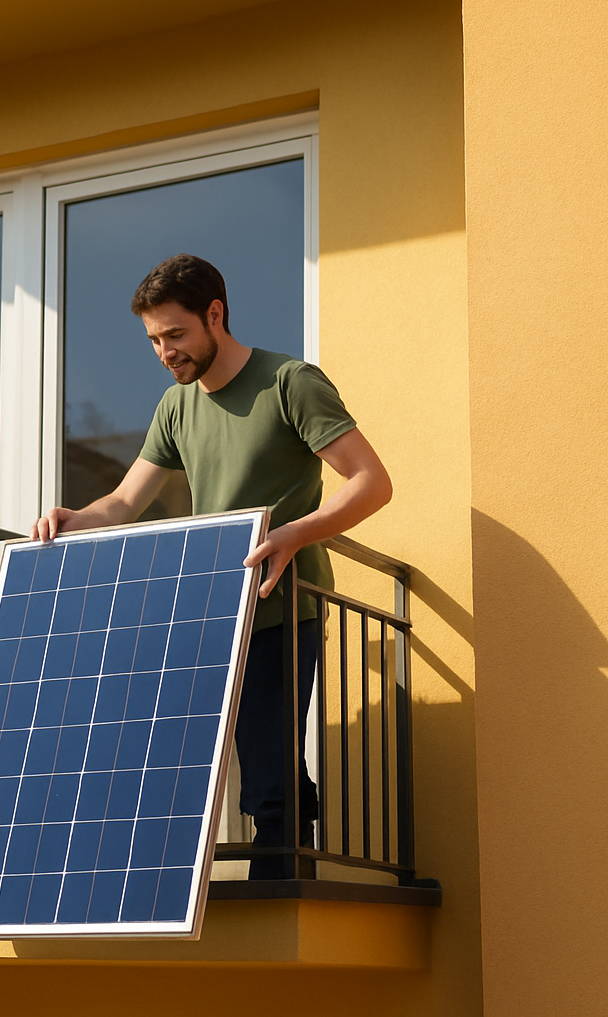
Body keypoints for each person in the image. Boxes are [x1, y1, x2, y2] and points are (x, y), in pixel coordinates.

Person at [32, 254, 392, 879]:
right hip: (209, 610)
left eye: (175, 334)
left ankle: (280, 891)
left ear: (215, 315)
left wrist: (293, 534)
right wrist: (74, 518)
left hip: (281, 606)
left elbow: (372, 482)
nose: (164, 352)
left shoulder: (290, 383)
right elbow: (123, 502)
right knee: (182, 768)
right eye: (154, 340)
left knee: (270, 768)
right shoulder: (176, 406)